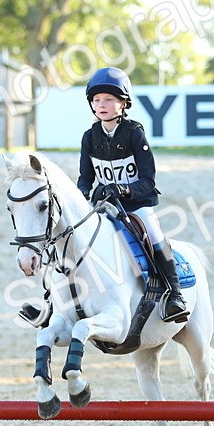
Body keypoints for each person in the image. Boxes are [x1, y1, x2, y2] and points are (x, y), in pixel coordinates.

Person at [77, 67, 189, 323]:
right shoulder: (89, 137)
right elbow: (85, 177)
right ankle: (52, 302)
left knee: (155, 234)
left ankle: (174, 295)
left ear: (123, 103)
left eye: (108, 99)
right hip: (105, 205)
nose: (101, 105)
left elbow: (149, 180)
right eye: (96, 100)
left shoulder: (134, 133)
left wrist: (124, 189)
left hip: (136, 204)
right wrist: (82, 193)